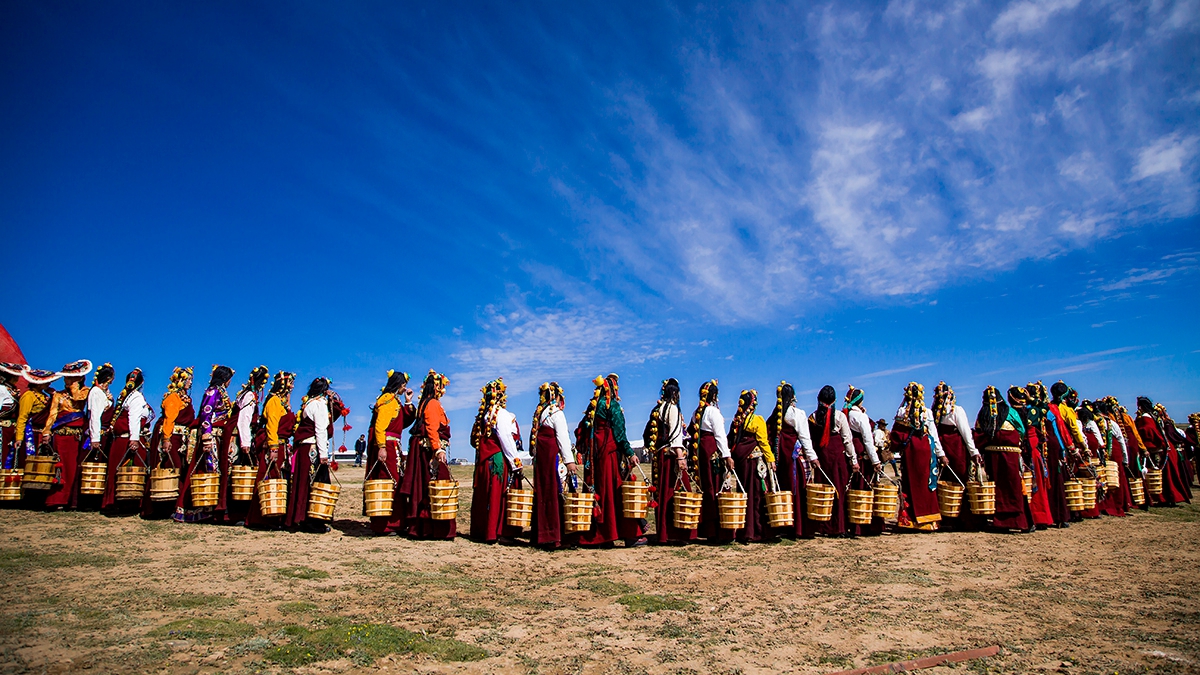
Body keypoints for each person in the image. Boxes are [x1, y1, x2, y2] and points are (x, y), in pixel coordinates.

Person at [574, 374, 646, 547]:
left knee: (597, 490)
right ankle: (626, 534)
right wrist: (630, 453)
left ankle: (598, 536)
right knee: (615, 491)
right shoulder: (612, 406)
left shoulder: (592, 408)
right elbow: (620, 434)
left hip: (594, 456)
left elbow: (581, 429)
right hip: (609, 455)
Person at [400, 370, 456, 540]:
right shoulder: (432, 404)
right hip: (429, 452)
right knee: (431, 486)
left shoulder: (425, 403)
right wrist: (438, 449)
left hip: (425, 449)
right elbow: (432, 428)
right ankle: (431, 528)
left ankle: (424, 527)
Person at [175, 365, 234, 522]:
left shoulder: (222, 392)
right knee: (208, 469)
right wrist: (206, 438)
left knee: (218, 471)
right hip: (211, 437)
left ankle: (214, 508)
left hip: (219, 437)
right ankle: (203, 509)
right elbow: (206, 413)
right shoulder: (212, 392)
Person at [287, 377, 346, 532]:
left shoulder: (308, 404)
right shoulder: (319, 405)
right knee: (317, 484)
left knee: (305, 483)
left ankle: (303, 517)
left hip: (305, 448)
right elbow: (320, 430)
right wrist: (323, 454)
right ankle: (313, 521)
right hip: (313, 448)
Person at [469, 378, 524, 544]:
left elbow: (474, 441)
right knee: (497, 494)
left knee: (485, 493)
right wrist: (516, 464)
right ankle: (497, 532)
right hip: (498, 460)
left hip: (484, 461)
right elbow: (506, 439)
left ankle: (483, 530)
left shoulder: (483, 416)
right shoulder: (501, 414)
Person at [972, 387, 1032, 532]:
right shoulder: (1010, 412)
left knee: (997, 487)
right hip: (1011, 455)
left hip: (992, 457)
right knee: (1014, 486)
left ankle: (999, 521)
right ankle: (1018, 521)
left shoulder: (983, 413)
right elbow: (1022, 430)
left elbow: (979, 432)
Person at [645, 378, 696, 545]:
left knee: (663, 491)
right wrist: (681, 457)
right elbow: (675, 437)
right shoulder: (672, 409)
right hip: (671, 456)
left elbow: (648, 435)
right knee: (678, 492)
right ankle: (678, 533)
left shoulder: (657, 409)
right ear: (675, 393)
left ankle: (664, 532)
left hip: (660, 455)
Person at [141, 367, 195, 520]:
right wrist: (166, 439)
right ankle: (163, 507)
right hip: (172, 438)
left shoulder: (184, 398)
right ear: (181, 380)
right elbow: (169, 420)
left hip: (181, 440)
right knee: (172, 468)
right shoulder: (173, 398)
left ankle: (175, 505)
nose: (190, 383)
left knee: (179, 469)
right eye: (188, 379)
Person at [366, 370, 415, 535]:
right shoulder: (387, 401)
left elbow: (402, 423)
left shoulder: (395, 401)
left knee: (395, 482)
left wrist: (408, 403)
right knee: (388, 483)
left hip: (394, 447)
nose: (405, 388)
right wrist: (381, 447)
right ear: (399, 384)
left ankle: (396, 522)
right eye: (404, 385)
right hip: (387, 446)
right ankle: (385, 524)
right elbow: (380, 426)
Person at [529, 382, 577, 550]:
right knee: (555, 492)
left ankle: (541, 534)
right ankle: (555, 536)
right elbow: (563, 437)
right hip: (552, 460)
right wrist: (570, 461)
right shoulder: (556, 413)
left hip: (542, 461)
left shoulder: (540, 414)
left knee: (543, 492)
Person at [245, 371, 295, 529]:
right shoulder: (273, 401)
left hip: (281, 445)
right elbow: (272, 426)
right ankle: (263, 518)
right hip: (275, 446)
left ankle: (277, 517)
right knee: (270, 478)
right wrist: (273, 447)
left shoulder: (281, 402)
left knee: (279, 480)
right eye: (290, 383)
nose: (292, 386)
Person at [890, 382, 944, 531]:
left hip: (910, 450)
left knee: (909, 481)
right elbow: (933, 434)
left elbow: (895, 434)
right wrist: (941, 454)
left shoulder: (901, 412)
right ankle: (928, 520)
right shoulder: (927, 412)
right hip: (924, 448)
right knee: (926, 483)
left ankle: (910, 519)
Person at [686, 380, 734, 542]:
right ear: (714, 396)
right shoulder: (713, 412)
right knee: (716, 485)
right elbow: (720, 435)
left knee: (706, 486)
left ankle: (707, 529)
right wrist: (726, 455)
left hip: (701, 452)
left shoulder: (696, 413)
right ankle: (719, 531)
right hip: (712, 450)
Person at [766, 382, 815, 539]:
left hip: (781, 458)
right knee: (796, 489)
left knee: (783, 487)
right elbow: (805, 437)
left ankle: (783, 523)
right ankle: (798, 526)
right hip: (793, 458)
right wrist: (813, 457)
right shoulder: (796, 414)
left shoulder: (775, 416)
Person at [42, 360, 93, 510]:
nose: (66, 381)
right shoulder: (58, 395)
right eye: (66, 378)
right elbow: (53, 414)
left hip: (77, 437)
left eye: (70, 378)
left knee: (73, 467)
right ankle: (56, 500)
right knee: (59, 467)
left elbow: (78, 398)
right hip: (60, 435)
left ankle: (72, 500)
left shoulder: (86, 392)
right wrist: (46, 431)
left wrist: (75, 387)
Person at [725, 390, 774, 543]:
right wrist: (770, 459)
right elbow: (763, 442)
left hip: (740, 460)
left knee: (743, 491)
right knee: (756, 494)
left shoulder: (736, 421)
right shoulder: (757, 420)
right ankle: (756, 531)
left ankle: (743, 530)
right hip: (753, 461)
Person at [221, 366, 268, 524]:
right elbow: (244, 420)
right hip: (239, 438)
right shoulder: (249, 396)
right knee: (238, 475)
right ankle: (234, 513)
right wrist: (246, 443)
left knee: (234, 474)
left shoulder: (244, 394)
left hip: (236, 436)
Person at [806, 385, 856, 537]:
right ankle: (838, 527)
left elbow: (810, 439)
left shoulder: (813, 417)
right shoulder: (840, 417)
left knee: (824, 491)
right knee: (838, 490)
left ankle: (822, 525)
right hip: (837, 457)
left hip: (821, 457)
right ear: (834, 400)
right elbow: (847, 440)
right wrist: (853, 459)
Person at [931, 382, 981, 529]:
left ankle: (946, 516)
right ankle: (963, 517)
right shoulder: (956, 411)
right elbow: (966, 432)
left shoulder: (935, 413)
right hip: (956, 449)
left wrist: (940, 453)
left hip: (942, 449)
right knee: (960, 480)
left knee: (945, 482)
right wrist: (973, 452)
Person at [101, 368, 152, 513]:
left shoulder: (124, 397)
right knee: (130, 471)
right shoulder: (136, 397)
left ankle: (113, 501)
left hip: (120, 440)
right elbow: (134, 419)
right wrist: (134, 439)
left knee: (116, 470)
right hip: (128, 440)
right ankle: (128, 504)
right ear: (141, 383)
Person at [844, 386, 884, 536]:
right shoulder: (860, 417)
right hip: (862, 455)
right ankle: (863, 525)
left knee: (853, 489)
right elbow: (868, 440)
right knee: (863, 490)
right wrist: (875, 461)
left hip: (851, 454)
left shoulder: (847, 415)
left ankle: (852, 523)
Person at [1136, 397, 1189, 506]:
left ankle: (1161, 497)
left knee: (1156, 474)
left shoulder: (1146, 417)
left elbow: (1149, 431)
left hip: (1155, 447)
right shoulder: (1154, 415)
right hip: (1163, 447)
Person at [1020, 383, 1056, 529]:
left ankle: (1036, 516)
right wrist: (1034, 400)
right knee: (1036, 483)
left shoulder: (1022, 411)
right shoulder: (1036, 409)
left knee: (1031, 484)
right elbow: (1045, 407)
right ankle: (1041, 517)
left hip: (1028, 450)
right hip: (1033, 450)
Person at [80, 364, 115, 510]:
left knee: (100, 466)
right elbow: (94, 416)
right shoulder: (95, 392)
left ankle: (96, 500)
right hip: (97, 435)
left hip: (104, 434)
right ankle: (87, 502)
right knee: (92, 467)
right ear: (108, 378)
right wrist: (95, 439)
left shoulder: (103, 392)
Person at [0, 364, 25, 488]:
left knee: (9, 458)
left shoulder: (13, 390)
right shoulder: (1, 389)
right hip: (2, 429)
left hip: (10, 430)